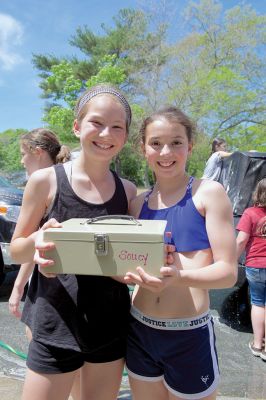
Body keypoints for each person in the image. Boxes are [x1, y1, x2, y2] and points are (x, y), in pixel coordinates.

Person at [10, 84, 137, 400]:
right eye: (96, 122)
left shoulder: (129, 191)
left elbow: (132, 255)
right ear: (77, 126)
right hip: (55, 322)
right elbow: (16, 249)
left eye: (116, 126)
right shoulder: (46, 181)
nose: (106, 133)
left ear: (125, 136)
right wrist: (39, 241)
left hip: (109, 325)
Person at [124, 106, 237, 400]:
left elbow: (227, 272)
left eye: (176, 142)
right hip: (140, 330)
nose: (166, 152)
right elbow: (123, 264)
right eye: (156, 143)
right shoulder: (136, 205)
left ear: (190, 145)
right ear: (143, 148)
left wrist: (179, 277)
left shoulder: (208, 193)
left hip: (188, 335)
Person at [7, 128, 83, 400]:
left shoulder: (44, 184)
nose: (21, 161)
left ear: (37, 152)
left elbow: (32, 245)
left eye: (23, 154)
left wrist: (18, 288)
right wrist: (19, 286)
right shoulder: (56, 180)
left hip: (52, 297)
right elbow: (33, 244)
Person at [236, 178, 266, 361]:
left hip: (255, 264)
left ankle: (257, 344)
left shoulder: (250, 213)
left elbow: (240, 240)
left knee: (258, 302)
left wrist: (230, 260)